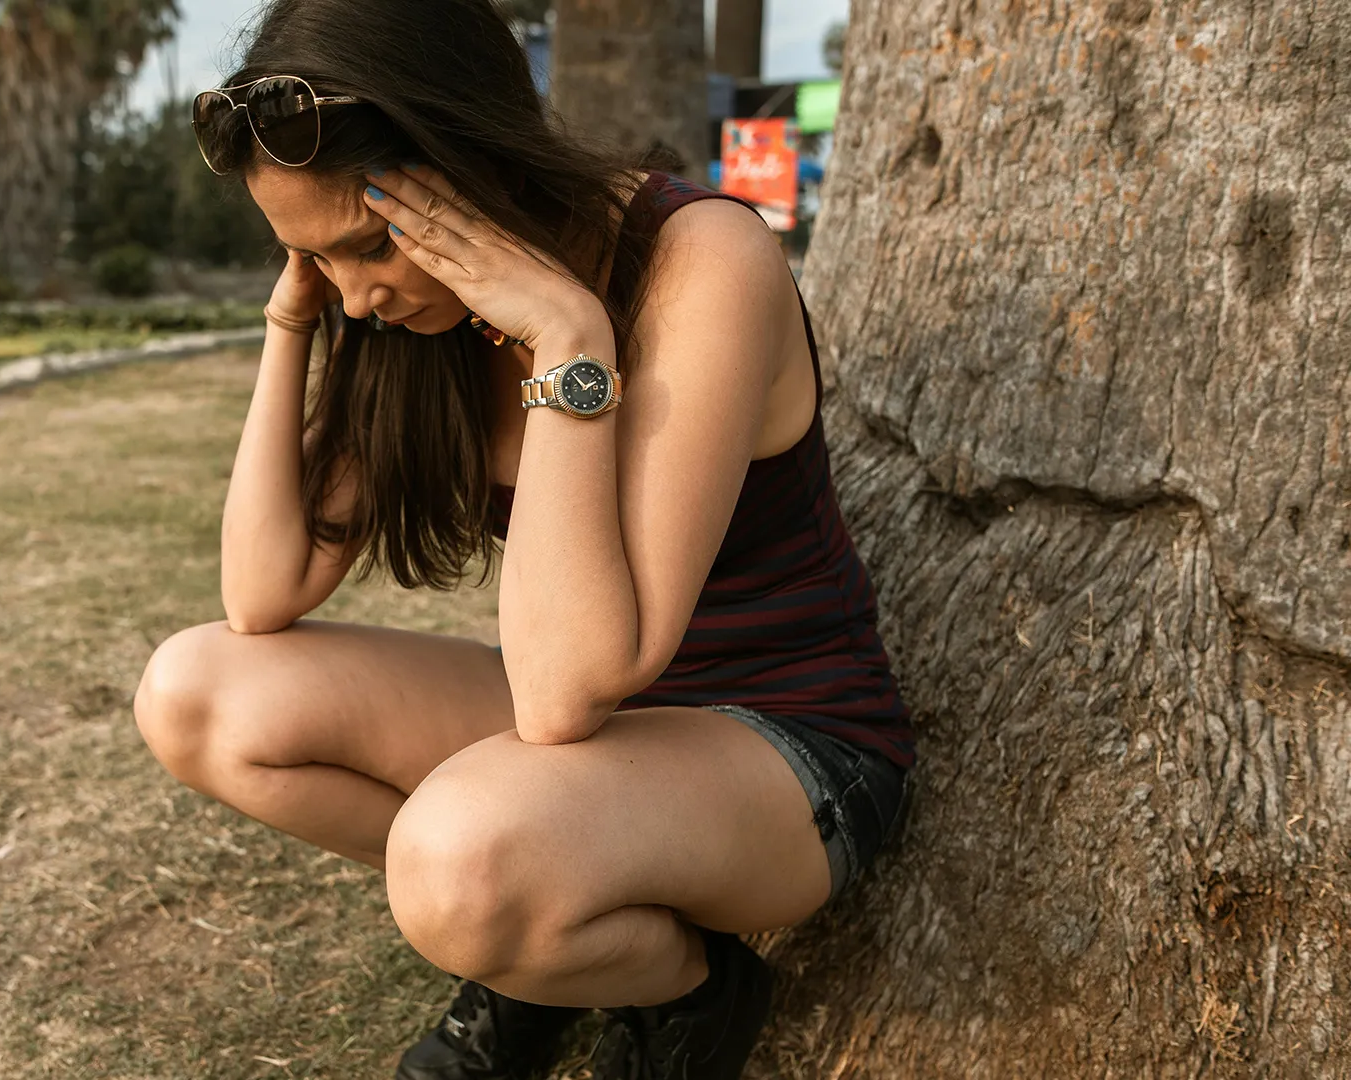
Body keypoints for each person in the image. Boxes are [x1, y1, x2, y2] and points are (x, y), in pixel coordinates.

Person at [132, 0, 914, 1076]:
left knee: (459, 861)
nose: (358, 296)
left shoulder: (702, 259)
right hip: (585, 745)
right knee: (196, 692)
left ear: (471, 166)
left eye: (366, 246)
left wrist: (566, 336)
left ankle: (690, 986)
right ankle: (544, 951)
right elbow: (263, 593)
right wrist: (293, 320)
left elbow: (567, 690)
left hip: (784, 743)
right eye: (314, 258)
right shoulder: (402, 311)